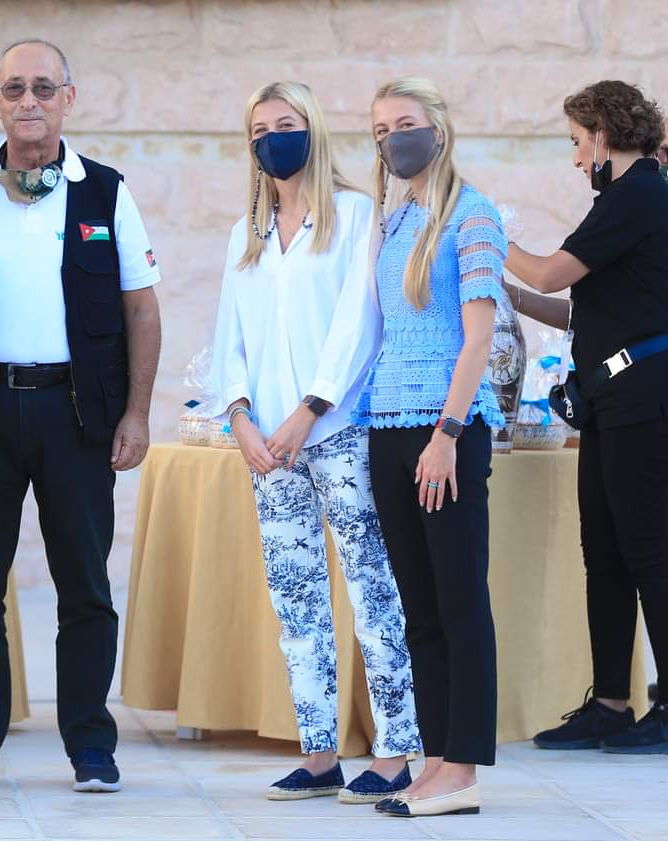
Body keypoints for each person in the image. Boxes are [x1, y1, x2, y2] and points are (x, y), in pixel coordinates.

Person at [0, 39, 162, 794]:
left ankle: (91, 747)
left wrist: (137, 413)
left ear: (68, 99)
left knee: (84, 587)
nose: (30, 101)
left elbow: (141, 309)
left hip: (76, 416)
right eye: (15, 88)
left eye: (44, 88)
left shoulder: (105, 192)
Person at [209, 81, 421, 805]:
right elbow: (229, 337)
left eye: (286, 123)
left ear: (314, 128)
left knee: (372, 590)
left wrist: (310, 410)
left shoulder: (356, 215)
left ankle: (394, 751)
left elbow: (360, 324)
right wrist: (240, 418)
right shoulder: (246, 232)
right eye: (259, 129)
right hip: (267, 448)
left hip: (340, 433)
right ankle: (319, 752)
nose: (273, 138)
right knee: (295, 597)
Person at [504, 80, 668, 755]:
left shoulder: (639, 194)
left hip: (646, 401)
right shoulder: (620, 203)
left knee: (651, 550)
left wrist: (480, 230)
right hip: (609, 401)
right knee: (603, 550)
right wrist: (507, 292)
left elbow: (551, 273)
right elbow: (579, 307)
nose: (577, 158)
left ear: (603, 135)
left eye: (578, 142)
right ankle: (609, 703)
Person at [353, 77, 505, 818]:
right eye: (381, 130)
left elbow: (479, 338)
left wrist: (447, 433)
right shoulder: (394, 220)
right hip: (387, 426)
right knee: (420, 605)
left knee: (459, 598)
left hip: (444, 429)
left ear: (438, 132)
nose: (393, 140)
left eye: (405, 124)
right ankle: (438, 758)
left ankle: (464, 766)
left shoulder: (472, 215)